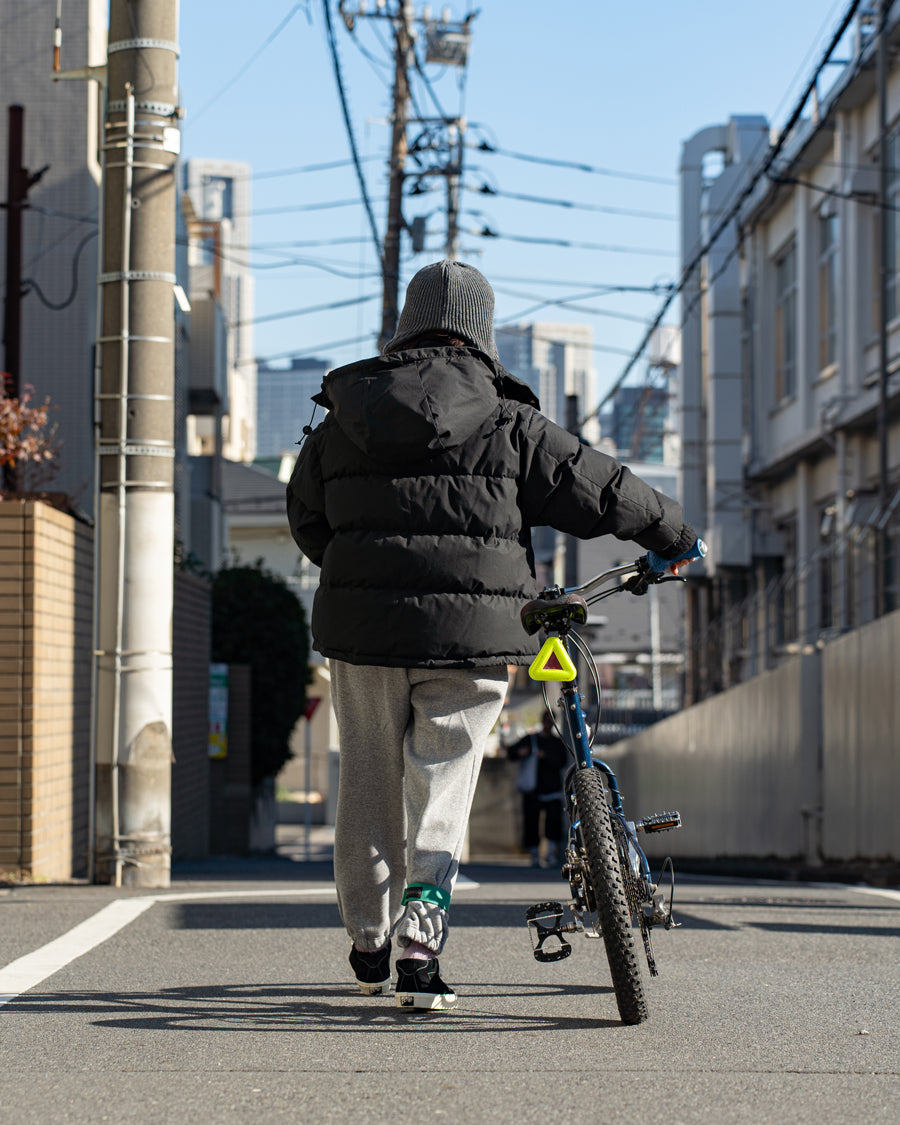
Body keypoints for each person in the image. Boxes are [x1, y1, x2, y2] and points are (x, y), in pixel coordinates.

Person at [286, 259, 699, 1011]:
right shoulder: (509, 420)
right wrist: (675, 533)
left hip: (363, 636)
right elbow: (599, 486)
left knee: (369, 783)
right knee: (443, 782)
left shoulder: (344, 413)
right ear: (480, 327)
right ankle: (420, 943)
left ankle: (368, 942)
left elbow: (308, 519)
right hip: (474, 637)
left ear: (406, 323)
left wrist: (363, 578)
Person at [507, 711, 568, 869]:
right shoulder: (531, 739)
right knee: (531, 822)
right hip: (532, 790)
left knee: (553, 822)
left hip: (552, 789)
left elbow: (562, 761)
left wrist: (545, 756)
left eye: (551, 720)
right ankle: (534, 854)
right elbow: (511, 752)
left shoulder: (557, 742)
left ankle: (550, 853)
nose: (548, 723)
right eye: (546, 720)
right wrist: (522, 753)